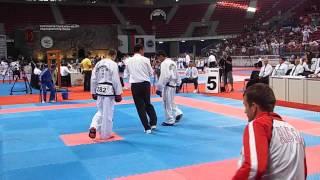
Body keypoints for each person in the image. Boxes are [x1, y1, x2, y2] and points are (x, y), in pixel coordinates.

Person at [233, 83, 307, 179]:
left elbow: (253, 167)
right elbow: (303, 171)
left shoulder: (258, 125)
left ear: (254, 107)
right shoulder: (294, 131)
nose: (245, 111)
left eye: (246, 106)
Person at [88, 49, 123, 140]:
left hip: (99, 89)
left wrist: (93, 91)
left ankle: (94, 126)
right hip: (109, 90)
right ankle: (106, 135)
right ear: (114, 55)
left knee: (100, 111)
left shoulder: (98, 63)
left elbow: (93, 78)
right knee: (108, 113)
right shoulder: (113, 64)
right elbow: (115, 79)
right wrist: (118, 93)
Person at [125, 44, 158, 134]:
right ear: (140, 50)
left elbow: (126, 74)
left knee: (140, 107)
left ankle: (147, 128)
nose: (144, 52)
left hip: (135, 85)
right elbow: (151, 73)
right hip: (145, 84)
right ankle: (153, 123)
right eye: (143, 50)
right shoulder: (146, 59)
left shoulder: (128, 61)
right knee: (148, 104)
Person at [155, 51, 183, 126]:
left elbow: (165, 76)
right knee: (171, 102)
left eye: (158, 57)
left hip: (167, 86)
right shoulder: (172, 62)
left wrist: (159, 88)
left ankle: (169, 120)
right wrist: (178, 84)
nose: (158, 59)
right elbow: (177, 74)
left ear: (161, 56)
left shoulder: (164, 63)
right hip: (173, 85)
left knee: (166, 103)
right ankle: (178, 112)